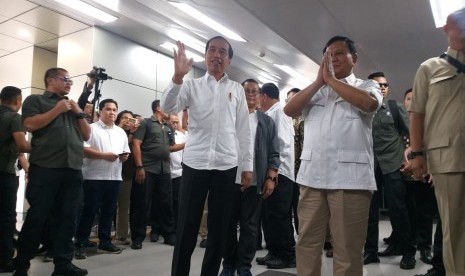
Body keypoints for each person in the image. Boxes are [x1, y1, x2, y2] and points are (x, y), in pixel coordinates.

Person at [284, 36, 382, 276]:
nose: (332, 58)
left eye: (339, 53)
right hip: (312, 179)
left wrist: (331, 81)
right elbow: (290, 110)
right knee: (306, 243)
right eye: (328, 54)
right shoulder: (316, 91)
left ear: (354, 59)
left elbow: (368, 105)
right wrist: (320, 82)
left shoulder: (366, 86)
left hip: (350, 181)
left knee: (347, 250)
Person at [161, 36, 253, 276]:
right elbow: (169, 107)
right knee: (186, 228)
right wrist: (178, 77)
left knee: (219, 230)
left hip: (226, 165)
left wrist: (247, 166)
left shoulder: (236, 90)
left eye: (223, 51)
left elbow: (243, 130)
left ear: (229, 60)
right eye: (212, 50)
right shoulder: (191, 86)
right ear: (205, 55)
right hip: (195, 163)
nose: (217, 55)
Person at [13, 67, 91, 276]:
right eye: (64, 79)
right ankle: (21, 265)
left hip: (72, 169)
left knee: (68, 219)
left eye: (70, 80)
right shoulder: (36, 101)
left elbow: (86, 135)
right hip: (46, 169)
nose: (69, 83)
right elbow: (29, 124)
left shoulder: (73, 107)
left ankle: (63, 264)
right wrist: (57, 109)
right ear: (50, 80)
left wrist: (79, 112)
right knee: (37, 218)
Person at [409, 7, 465, 276]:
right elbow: (417, 113)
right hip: (448, 158)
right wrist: (417, 153)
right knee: (454, 229)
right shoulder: (430, 68)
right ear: (446, 29)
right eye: (460, 24)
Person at [220, 78, 280, 276]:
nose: (251, 94)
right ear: (240, 92)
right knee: (227, 225)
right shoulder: (229, 117)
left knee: (250, 227)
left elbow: (274, 152)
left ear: (260, 95)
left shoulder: (266, 122)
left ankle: (244, 266)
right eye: (247, 90)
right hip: (230, 181)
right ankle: (228, 264)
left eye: (255, 91)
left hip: (255, 183)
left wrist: (271, 178)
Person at [363, 72, 416, 270]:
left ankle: (407, 252)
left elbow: (410, 133)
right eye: (378, 85)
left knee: (398, 210)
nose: (383, 88)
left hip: (392, 164)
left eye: (385, 85)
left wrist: (408, 154)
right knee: (370, 212)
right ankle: (370, 252)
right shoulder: (364, 110)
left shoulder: (395, 108)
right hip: (370, 166)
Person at [74, 99, 130, 259]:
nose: (112, 112)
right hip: (94, 177)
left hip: (115, 177)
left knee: (108, 211)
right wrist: (105, 156)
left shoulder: (120, 132)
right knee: (89, 212)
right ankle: (80, 243)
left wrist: (124, 157)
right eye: (108, 109)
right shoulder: (90, 128)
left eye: (114, 109)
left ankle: (105, 241)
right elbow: (84, 149)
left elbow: (125, 151)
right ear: (100, 111)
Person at [130, 100, 182, 249]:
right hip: (147, 169)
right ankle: (137, 237)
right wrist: (139, 166)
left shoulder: (168, 126)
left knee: (166, 203)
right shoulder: (146, 123)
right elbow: (136, 144)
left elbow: (171, 147)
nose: (171, 111)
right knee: (143, 203)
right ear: (158, 108)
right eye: (168, 107)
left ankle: (169, 235)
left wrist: (188, 144)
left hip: (165, 170)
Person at [255, 83, 295, 269]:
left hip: (281, 173)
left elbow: (283, 144)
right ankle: (274, 252)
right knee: (269, 216)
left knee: (280, 216)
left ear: (264, 96)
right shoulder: (270, 114)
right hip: (272, 173)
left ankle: (287, 255)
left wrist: (273, 173)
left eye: (257, 96)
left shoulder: (280, 112)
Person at [0, 86, 31, 273]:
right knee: (6, 218)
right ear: (18, 100)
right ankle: (4, 261)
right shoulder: (14, 117)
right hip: (4, 174)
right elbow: (22, 145)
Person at [115, 110, 139, 245]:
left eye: (130, 119)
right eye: (124, 118)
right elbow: (121, 148)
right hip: (109, 172)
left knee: (124, 206)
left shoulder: (132, 134)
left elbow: (129, 150)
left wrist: (132, 133)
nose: (127, 121)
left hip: (127, 174)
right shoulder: (114, 131)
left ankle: (121, 235)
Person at [169, 113, 187, 229]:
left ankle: (175, 227)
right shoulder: (164, 133)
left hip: (179, 173)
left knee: (177, 202)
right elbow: (169, 148)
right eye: (173, 122)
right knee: (164, 202)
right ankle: (158, 229)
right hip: (165, 172)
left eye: (177, 122)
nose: (175, 124)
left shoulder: (182, 135)